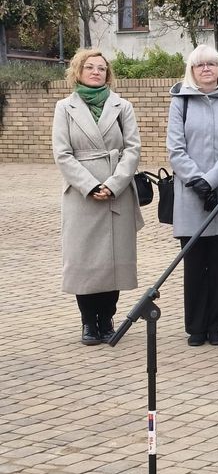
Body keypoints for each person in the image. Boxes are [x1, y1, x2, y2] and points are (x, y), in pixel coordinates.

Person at [52, 48, 143, 345]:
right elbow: (62, 154)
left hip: (117, 192)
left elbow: (133, 149)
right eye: (89, 67)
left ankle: (107, 319)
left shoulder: (122, 106)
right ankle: (88, 322)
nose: (95, 72)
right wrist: (90, 185)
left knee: (113, 261)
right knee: (85, 261)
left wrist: (114, 184)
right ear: (77, 72)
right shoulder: (65, 108)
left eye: (101, 68)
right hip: (82, 194)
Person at [167, 45, 218, 346]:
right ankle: (196, 327)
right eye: (199, 65)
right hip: (190, 195)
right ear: (191, 70)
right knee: (194, 265)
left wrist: (211, 181)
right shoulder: (180, 102)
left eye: (211, 64)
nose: (206, 69)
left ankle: (216, 326)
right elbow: (175, 148)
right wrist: (197, 180)